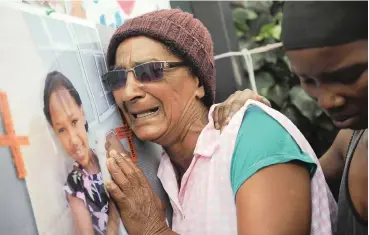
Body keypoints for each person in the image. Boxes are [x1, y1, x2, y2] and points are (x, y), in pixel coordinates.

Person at [102, 9, 337, 235]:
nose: (129, 92)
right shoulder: (164, 168)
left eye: (150, 71)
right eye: (117, 78)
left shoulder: (251, 135)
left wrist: (153, 230)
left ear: (198, 81)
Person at [211, 2, 368, 235]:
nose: (328, 101)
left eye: (348, 76)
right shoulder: (350, 143)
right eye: (308, 80)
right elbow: (289, 187)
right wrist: (258, 115)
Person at [43, 71, 119, 235]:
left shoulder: (104, 154)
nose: (73, 140)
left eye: (74, 121)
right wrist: (115, 204)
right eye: (61, 129)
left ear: (83, 114)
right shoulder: (75, 186)